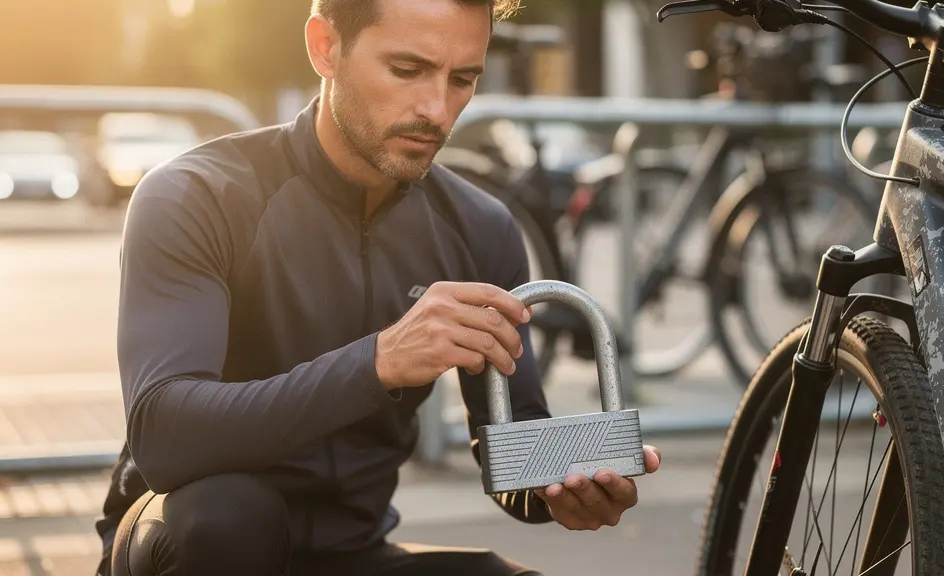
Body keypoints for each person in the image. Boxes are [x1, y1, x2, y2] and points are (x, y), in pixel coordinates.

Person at [93, 0, 662, 574]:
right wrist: (379, 362)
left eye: (462, 79)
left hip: (355, 554)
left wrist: (568, 486)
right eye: (408, 70)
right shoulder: (196, 196)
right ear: (325, 48)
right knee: (228, 516)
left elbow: (514, 459)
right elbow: (165, 438)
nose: (436, 109)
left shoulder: (480, 227)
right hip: (185, 541)